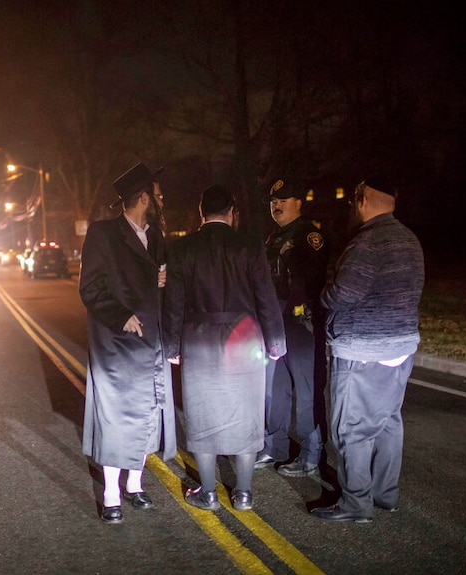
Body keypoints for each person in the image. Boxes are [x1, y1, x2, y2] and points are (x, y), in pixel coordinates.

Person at [163, 185, 286, 511]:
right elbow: (265, 296)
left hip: (199, 339)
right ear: (232, 212)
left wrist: (171, 345)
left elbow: (173, 303)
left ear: (201, 212)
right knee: (247, 415)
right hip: (244, 338)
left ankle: (209, 493)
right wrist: (276, 341)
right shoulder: (249, 245)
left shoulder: (182, 248)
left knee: (202, 415)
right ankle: (243, 494)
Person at [311, 175, 424, 523]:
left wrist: (323, 294)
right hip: (401, 346)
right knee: (389, 421)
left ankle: (356, 503)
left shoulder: (367, 243)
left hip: (362, 348)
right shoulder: (409, 239)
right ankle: (385, 494)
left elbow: (344, 294)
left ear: (361, 199)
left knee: (352, 429)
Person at [79, 162, 176, 523]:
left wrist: (162, 283)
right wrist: (121, 316)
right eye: (158, 196)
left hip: (151, 341)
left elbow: (158, 283)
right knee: (117, 419)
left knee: (150, 411)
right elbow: (90, 288)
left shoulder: (159, 237)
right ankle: (111, 494)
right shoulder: (103, 234)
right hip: (117, 343)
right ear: (143, 198)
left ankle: (135, 485)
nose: (162, 201)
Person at [256, 178, 330, 477]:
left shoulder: (310, 234)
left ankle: (312, 455)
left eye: (283, 200)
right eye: (273, 201)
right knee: (276, 388)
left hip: (302, 321)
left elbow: (311, 277)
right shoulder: (274, 236)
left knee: (307, 389)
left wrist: (288, 255)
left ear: (299, 202)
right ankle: (275, 446)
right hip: (277, 319)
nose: (276, 205)